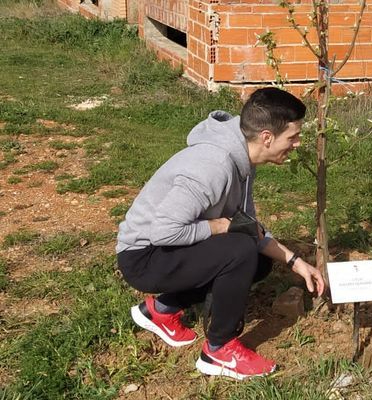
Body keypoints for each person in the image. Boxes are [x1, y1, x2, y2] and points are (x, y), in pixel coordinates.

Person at [115, 87, 325, 380]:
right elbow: (164, 231)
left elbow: (247, 225)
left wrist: (295, 262)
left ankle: (160, 310)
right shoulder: (213, 167)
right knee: (240, 250)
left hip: (168, 249)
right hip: (144, 256)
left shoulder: (242, 158)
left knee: (257, 258)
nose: (297, 143)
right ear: (267, 137)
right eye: (292, 137)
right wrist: (219, 226)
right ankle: (219, 350)